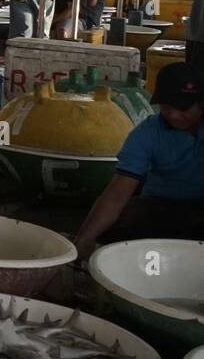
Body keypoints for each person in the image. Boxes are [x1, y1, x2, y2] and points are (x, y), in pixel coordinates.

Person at [73, 62, 204, 258]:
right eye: (167, 107)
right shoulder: (147, 133)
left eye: (183, 108)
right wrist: (81, 242)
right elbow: (117, 195)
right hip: (159, 206)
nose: (174, 115)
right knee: (120, 219)